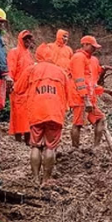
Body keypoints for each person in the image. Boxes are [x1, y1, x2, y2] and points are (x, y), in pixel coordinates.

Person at [14, 43, 70, 186]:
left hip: (36, 113)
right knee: (50, 147)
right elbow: (69, 94)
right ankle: (46, 180)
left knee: (35, 146)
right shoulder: (61, 72)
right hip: (55, 114)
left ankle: (35, 179)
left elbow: (18, 89)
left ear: (38, 55)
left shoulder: (31, 69)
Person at [69, 35, 105, 148]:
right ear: (84, 45)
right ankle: (75, 150)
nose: (94, 49)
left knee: (100, 118)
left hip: (87, 97)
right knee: (77, 124)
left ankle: (96, 148)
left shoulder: (90, 59)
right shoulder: (78, 57)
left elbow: (91, 81)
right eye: (92, 46)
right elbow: (79, 79)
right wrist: (86, 99)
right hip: (79, 97)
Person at [7, 30, 35, 142]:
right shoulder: (15, 52)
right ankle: (18, 139)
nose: (28, 41)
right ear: (20, 39)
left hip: (28, 89)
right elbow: (10, 69)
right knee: (18, 114)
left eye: (29, 38)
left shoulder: (28, 54)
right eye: (25, 39)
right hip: (17, 88)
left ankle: (28, 139)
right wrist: (11, 84)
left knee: (28, 114)